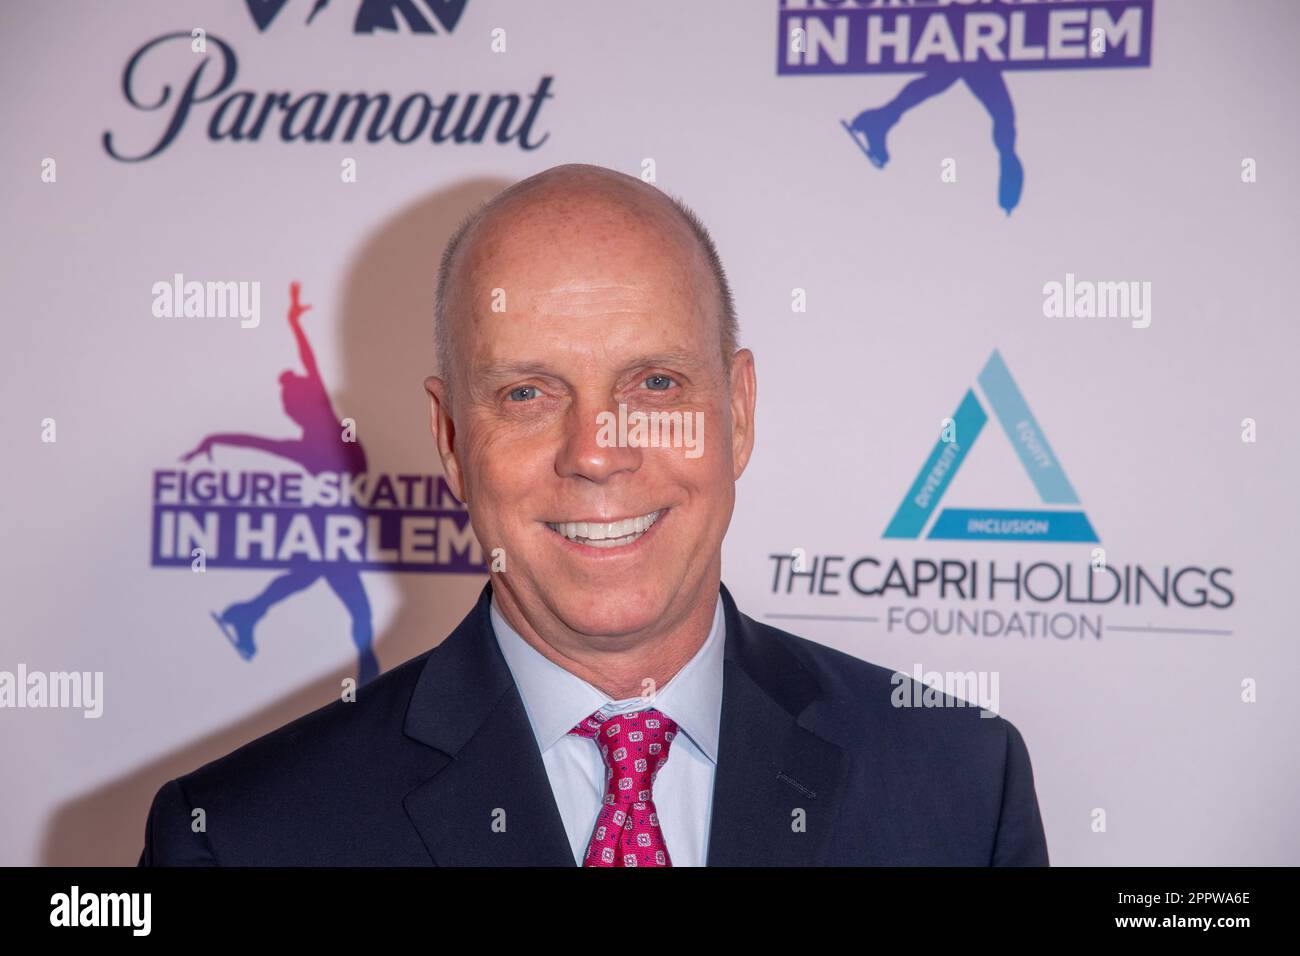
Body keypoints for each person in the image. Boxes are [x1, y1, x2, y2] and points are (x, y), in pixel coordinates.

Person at [139, 163, 1048, 866]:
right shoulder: (243, 836)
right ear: (452, 442)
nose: (597, 450)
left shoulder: (963, 785)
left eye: (655, 382)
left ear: (737, 413)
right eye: (528, 392)